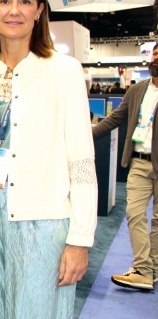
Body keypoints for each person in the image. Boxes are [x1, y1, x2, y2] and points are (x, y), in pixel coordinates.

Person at [0, 0, 97, 317]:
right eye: (4, 1)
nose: (14, 10)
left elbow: (81, 162)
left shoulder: (63, 71)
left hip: (40, 221)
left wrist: (80, 239)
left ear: (39, 11)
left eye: (24, 1)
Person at [92, 44, 158, 290]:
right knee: (135, 215)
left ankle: (152, 268)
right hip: (139, 161)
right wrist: (87, 136)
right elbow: (116, 118)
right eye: (154, 55)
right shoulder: (137, 90)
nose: (155, 60)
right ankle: (143, 269)